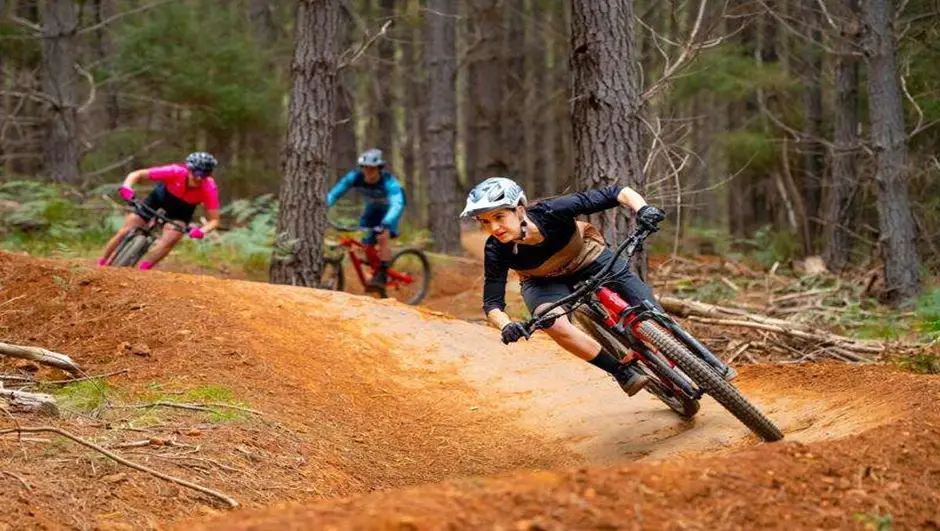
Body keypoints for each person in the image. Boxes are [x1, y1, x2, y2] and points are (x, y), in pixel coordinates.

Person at [460, 177, 666, 396]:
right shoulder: (495, 249)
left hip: (587, 257)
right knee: (550, 321)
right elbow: (492, 303)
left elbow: (617, 192)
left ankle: (683, 354)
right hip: (543, 280)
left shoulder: (552, 211)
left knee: (652, 314)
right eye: (484, 221)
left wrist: (643, 209)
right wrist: (506, 325)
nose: (493, 227)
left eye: (499, 216)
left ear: (520, 210)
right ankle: (621, 372)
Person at [98, 152, 221, 270]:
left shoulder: (209, 188)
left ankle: (143, 269)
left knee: (171, 238)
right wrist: (127, 187)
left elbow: (214, 220)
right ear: (188, 168)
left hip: (181, 211)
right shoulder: (175, 171)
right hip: (158, 199)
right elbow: (137, 174)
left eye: (205, 174)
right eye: (197, 171)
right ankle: (102, 262)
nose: (199, 177)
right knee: (126, 229)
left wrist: (201, 231)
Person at [326, 148, 406, 289]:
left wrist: (386, 223)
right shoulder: (355, 177)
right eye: (365, 168)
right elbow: (334, 194)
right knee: (366, 242)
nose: (368, 172)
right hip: (372, 209)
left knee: (382, 236)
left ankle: (382, 273)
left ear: (379, 169)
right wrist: (323, 206)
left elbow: (397, 203)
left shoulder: (389, 183)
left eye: (372, 169)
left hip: (390, 211)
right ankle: (374, 269)